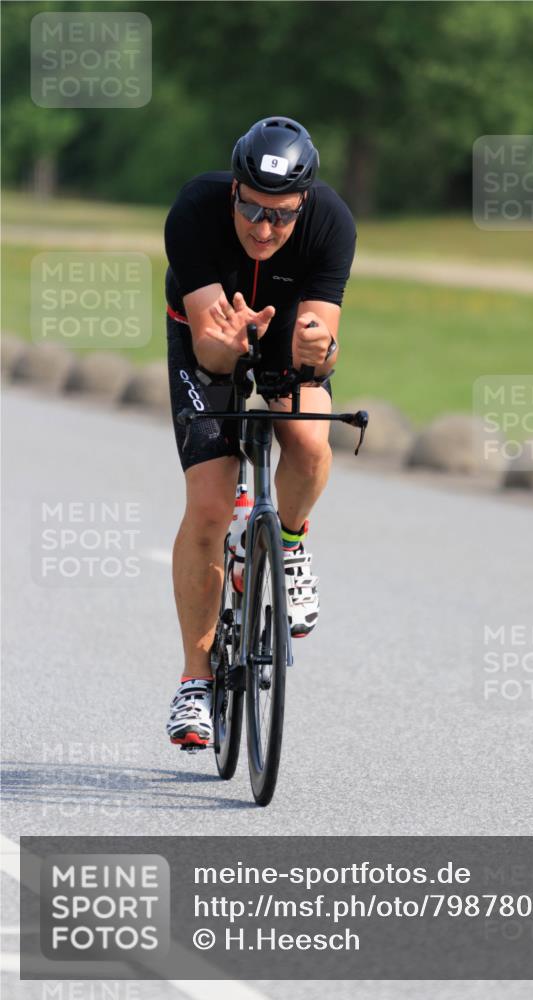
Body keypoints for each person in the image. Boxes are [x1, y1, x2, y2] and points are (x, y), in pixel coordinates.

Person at [163, 116, 356, 747]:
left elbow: (319, 358)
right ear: (234, 192)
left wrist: (317, 350)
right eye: (252, 210)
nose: (264, 228)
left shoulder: (332, 223)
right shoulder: (194, 209)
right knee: (212, 506)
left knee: (307, 440)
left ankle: (289, 543)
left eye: (282, 215)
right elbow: (215, 360)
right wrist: (229, 342)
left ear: (304, 204)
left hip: (284, 330)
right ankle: (195, 682)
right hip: (209, 335)